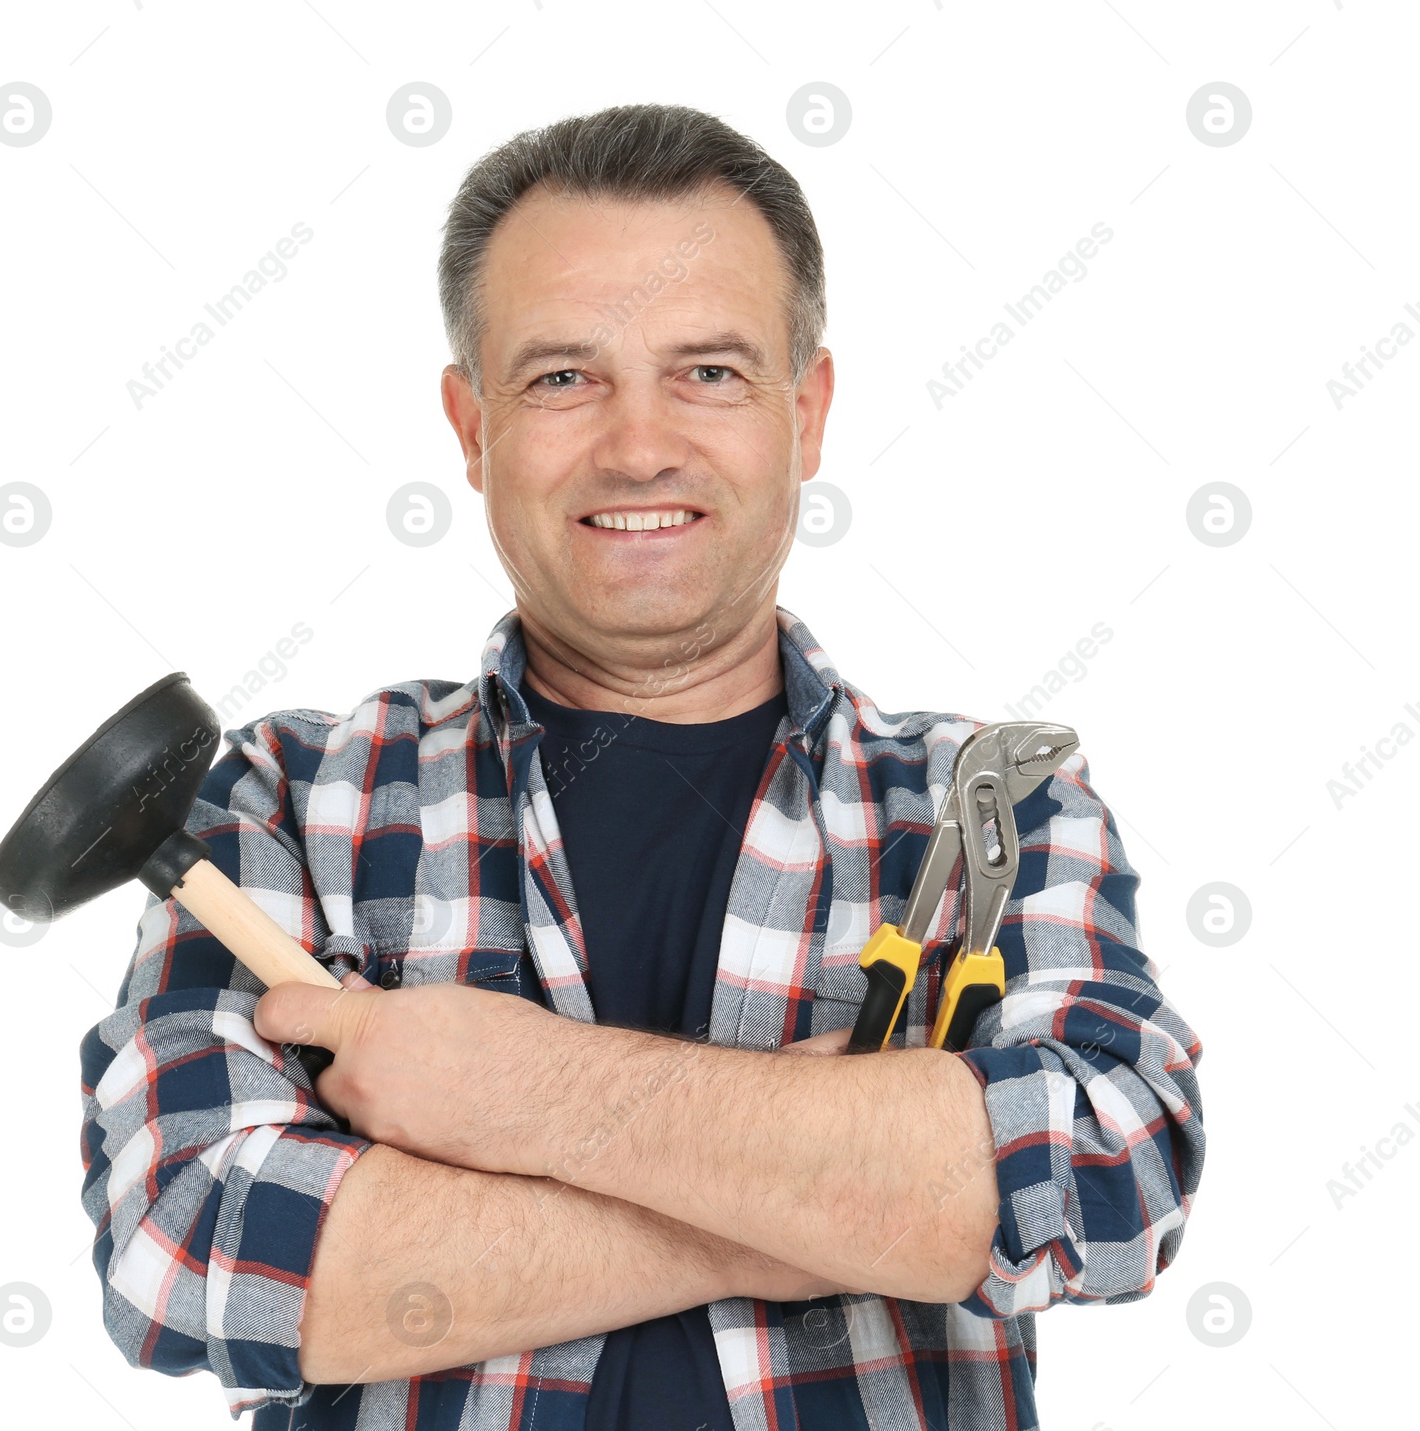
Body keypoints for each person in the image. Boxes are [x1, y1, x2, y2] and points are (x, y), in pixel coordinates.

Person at [78, 102, 1205, 1430]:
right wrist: (860, 1191)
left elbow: (1106, 1176)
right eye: (563, 376)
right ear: (471, 423)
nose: (639, 445)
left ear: (808, 409)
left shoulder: (994, 804)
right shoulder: (290, 800)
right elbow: (196, 1258)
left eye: (710, 373)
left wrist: (528, 1095)